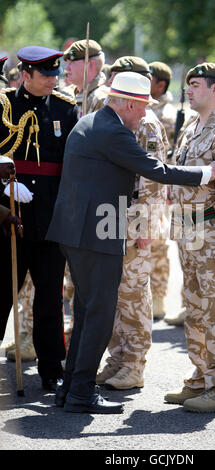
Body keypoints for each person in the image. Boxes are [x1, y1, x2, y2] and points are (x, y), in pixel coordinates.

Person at [46, 71, 215, 414]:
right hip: (96, 233)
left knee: (87, 311)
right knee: (99, 314)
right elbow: (156, 170)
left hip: (79, 232)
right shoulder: (113, 130)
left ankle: (71, 387)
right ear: (129, 104)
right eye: (142, 107)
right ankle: (80, 392)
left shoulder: (90, 121)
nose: (143, 114)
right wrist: (211, 172)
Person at [164, 63, 215, 413]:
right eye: (188, 85)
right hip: (190, 230)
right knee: (195, 308)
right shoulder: (193, 126)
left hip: (213, 234)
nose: (189, 90)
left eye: (195, 85)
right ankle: (200, 378)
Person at [0, 46, 78, 391]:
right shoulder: (3, 106)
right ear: (25, 75)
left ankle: (52, 369)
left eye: (55, 74)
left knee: (49, 298)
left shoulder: (65, 108)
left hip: (49, 217)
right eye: (45, 75)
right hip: (8, 219)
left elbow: (73, 167)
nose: (52, 80)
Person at [95, 56, 169, 390]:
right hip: (112, 217)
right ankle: (118, 359)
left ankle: (135, 364)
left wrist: (145, 228)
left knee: (135, 294)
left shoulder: (148, 123)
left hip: (135, 218)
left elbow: (154, 180)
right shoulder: (115, 117)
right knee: (115, 294)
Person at [147, 61, 177, 320]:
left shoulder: (167, 115)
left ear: (161, 84)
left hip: (162, 187)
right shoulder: (146, 107)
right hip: (146, 186)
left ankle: (158, 296)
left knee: (157, 244)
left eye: (151, 77)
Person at [63, 39, 108, 117]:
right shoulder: (67, 94)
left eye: (72, 62)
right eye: (67, 63)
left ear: (90, 65)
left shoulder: (103, 99)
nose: (67, 68)